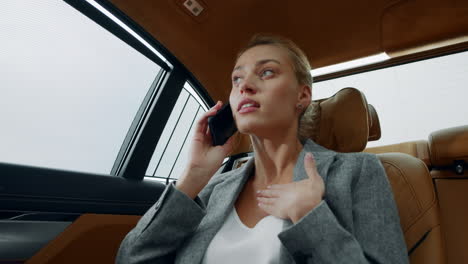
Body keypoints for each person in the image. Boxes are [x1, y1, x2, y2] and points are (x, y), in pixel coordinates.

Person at [116, 34, 409, 264]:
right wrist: (192, 177)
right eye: (237, 79)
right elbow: (131, 259)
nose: (245, 86)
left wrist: (311, 218)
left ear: (302, 95)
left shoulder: (358, 172)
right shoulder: (215, 187)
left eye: (266, 72)